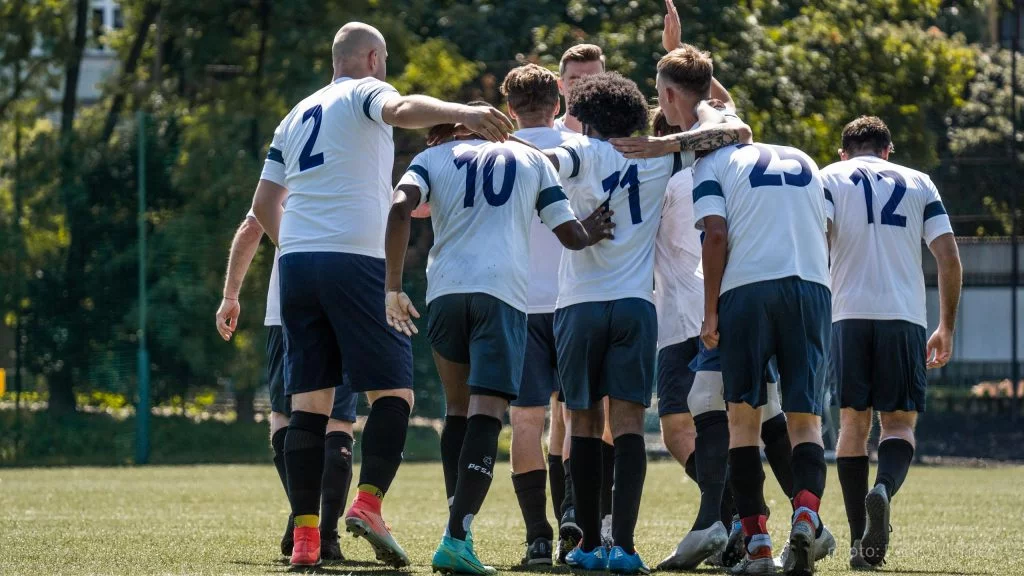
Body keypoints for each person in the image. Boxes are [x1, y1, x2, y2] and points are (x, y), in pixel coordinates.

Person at [250, 22, 514, 568]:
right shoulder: (365, 90)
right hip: (355, 259)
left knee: (310, 405)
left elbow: (263, 205)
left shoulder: (294, 114)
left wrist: (300, 247)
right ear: (373, 59)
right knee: (395, 394)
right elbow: (401, 109)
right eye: (386, 61)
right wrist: (462, 113)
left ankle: (304, 539)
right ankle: (367, 504)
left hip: (296, 262)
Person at [383, 120, 613, 575]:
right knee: (488, 414)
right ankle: (455, 535)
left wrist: (392, 287)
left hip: (446, 293)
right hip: (501, 296)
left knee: (457, 411)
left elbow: (397, 209)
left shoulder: (432, 157)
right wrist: (593, 229)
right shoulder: (529, 157)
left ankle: (459, 530)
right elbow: (568, 234)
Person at [544, 70, 750, 574]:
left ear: (587, 121)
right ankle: (626, 547)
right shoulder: (663, 154)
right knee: (630, 426)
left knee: (585, 425)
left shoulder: (582, 150)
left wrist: (571, 223)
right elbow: (736, 131)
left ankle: (591, 542)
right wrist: (669, 140)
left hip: (580, 303)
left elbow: (545, 159)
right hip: (636, 306)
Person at [821, 116, 961, 569]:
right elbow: (948, 257)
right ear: (888, 150)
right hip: (903, 318)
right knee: (898, 425)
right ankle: (883, 489)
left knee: (851, 426)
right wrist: (946, 327)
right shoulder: (920, 182)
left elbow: (816, 240)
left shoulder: (828, 177)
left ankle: (861, 541)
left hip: (848, 316)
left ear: (845, 152)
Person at [693, 128, 832, 575]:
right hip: (810, 287)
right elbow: (824, 229)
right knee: (806, 421)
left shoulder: (712, 162)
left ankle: (757, 546)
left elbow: (716, 235)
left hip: (747, 291)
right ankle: (807, 514)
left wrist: (710, 312)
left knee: (743, 423)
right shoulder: (803, 156)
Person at [215, 209, 358, 563]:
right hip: (347, 302)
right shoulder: (362, 160)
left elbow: (251, 226)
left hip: (289, 309)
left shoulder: (290, 160)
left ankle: (303, 519)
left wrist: (231, 295)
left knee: (285, 415)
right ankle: (327, 534)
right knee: (338, 423)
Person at [498, 63, 581, 566]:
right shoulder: (579, 148)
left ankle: (536, 537)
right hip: (573, 298)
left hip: (518, 301)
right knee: (573, 415)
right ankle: (572, 508)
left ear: (510, 108)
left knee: (525, 420)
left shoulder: (496, 152)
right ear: (559, 104)